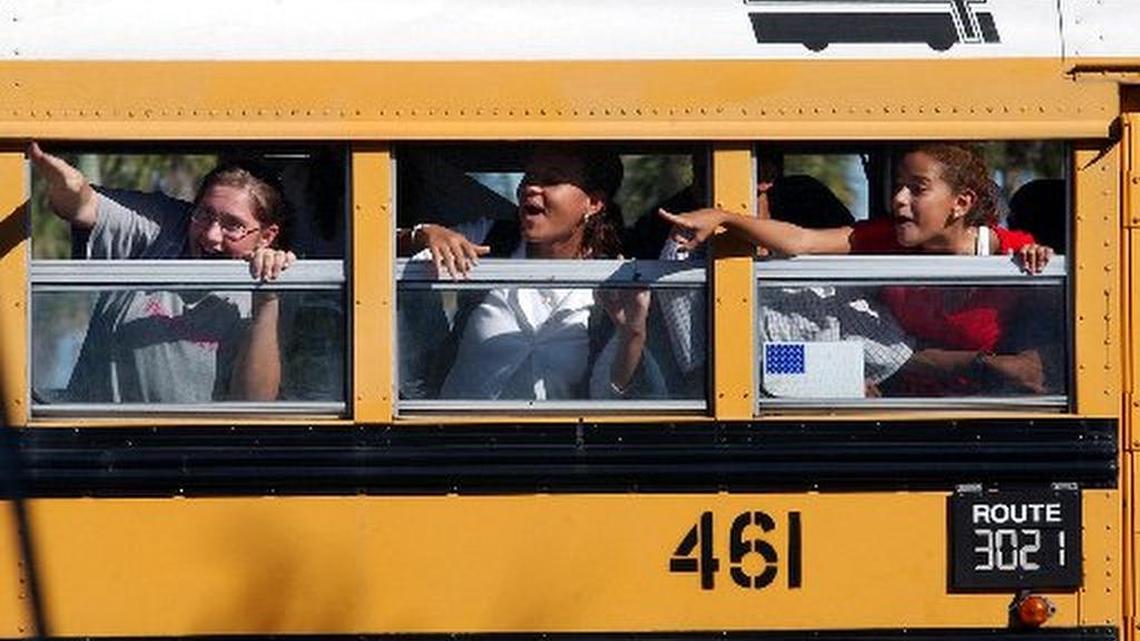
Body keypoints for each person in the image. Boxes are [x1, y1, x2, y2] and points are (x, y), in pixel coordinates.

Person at [660, 142, 1055, 395]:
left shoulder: (1014, 253)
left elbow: (1049, 342)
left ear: (962, 203)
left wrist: (1041, 260)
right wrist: (723, 216)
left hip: (988, 405)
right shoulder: (884, 239)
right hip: (900, 405)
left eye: (917, 189)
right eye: (898, 186)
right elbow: (802, 242)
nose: (898, 200)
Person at [29, 143, 296, 403]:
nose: (211, 235)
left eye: (233, 225)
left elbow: (254, 402)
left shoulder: (275, 281)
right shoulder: (165, 228)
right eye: (205, 214)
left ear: (267, 236)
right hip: (89, 439)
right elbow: (81, 208)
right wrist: (71, 186)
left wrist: (266, 297)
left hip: (183, 445)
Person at [397, 144, 663, 400]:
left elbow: (607, 396)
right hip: (454, 438)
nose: (530, 188)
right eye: (529, 177)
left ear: (593, 203)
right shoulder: (491, 239)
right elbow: (377, 254)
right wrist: (423, 234)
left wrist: (632, 334)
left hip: (548, 443)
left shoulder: (610, 283)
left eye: (551, 180)